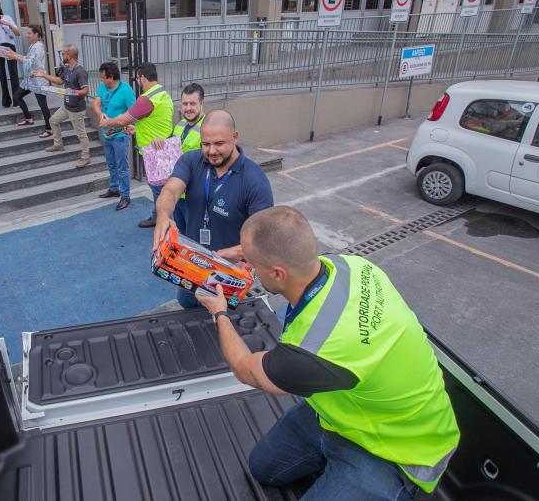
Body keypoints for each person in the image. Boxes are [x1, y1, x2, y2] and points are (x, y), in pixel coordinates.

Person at [194, 206, 461, 499]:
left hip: (397, 447)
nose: (249, 269)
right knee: (263, 468)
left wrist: (218, 312)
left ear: (277, 273)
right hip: (342, 412)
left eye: (253, 264)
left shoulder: (311, 353)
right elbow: (290, 258)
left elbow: (246, 369)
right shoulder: (351, 265)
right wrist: (251, 252)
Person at [152, 109, 274, 309]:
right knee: (187, 306)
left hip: (228, 273)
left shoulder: (255, 181)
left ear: (235, 137)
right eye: (205, 144)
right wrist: (163, 215)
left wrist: (241, 251)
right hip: (190, 262)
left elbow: (265, 237)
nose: (211, 151)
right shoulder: (191, 160)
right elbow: (171, 191)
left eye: (219, 144)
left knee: (224, 323)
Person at [99, 62, 174, 228]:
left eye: (139, 79)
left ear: (142, 77)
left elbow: (121, 119)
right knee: (161, 188)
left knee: (158, 190)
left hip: (153, 152)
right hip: (163, 149)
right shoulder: (163, 94)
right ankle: (159, 217)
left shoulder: (147, 99)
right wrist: (136, 129)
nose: (139, 83)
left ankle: (165, 222)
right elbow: (154, 121)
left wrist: (107, 123)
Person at [151, 82, 205, 233]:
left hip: (195, 197)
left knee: (195, 239)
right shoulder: (181, 124)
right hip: (177, 194)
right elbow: (170, 148)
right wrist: (159, 142)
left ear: (202, 104)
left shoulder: (208, 128)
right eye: (185, 103)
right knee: (181, 234)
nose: (188, 108)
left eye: (193, 103)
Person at [32, 44, 91, 168]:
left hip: (76, 109)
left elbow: (86, 91)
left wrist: (71, 92)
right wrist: (43, 75)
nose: (62, 56)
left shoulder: (80, 71)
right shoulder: (67, 69)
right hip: (67, 106)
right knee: (53, 121)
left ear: (69, 56)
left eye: (64, 54)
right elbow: (59, 81)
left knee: (81, 134)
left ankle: (85, 157)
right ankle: (58, 144)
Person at [91, 62, 136, 211]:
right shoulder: (104, 87)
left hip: (120, 135)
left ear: (111, 77)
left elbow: (133, 113)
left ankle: (125, 195)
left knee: (123, 166)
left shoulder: (126, 91)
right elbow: (96, 103)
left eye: (103, 78)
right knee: (111, 163)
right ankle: (114, 188)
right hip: (107, 134)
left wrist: (120, 123)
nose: (101, 80)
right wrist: (100, 114)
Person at [4, 24, 53, 135]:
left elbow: (30, 62)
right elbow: (27, 58)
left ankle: (49, 129)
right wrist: (13, 53)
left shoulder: (39, 46)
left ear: (36, 34)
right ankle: (28, 118)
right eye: (27, 33)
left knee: (43, 105)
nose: (27, 35)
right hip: (29, 80)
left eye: (29, 33)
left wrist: (15, 57)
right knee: (17, 96)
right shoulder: (33, 45)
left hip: (38, 81)